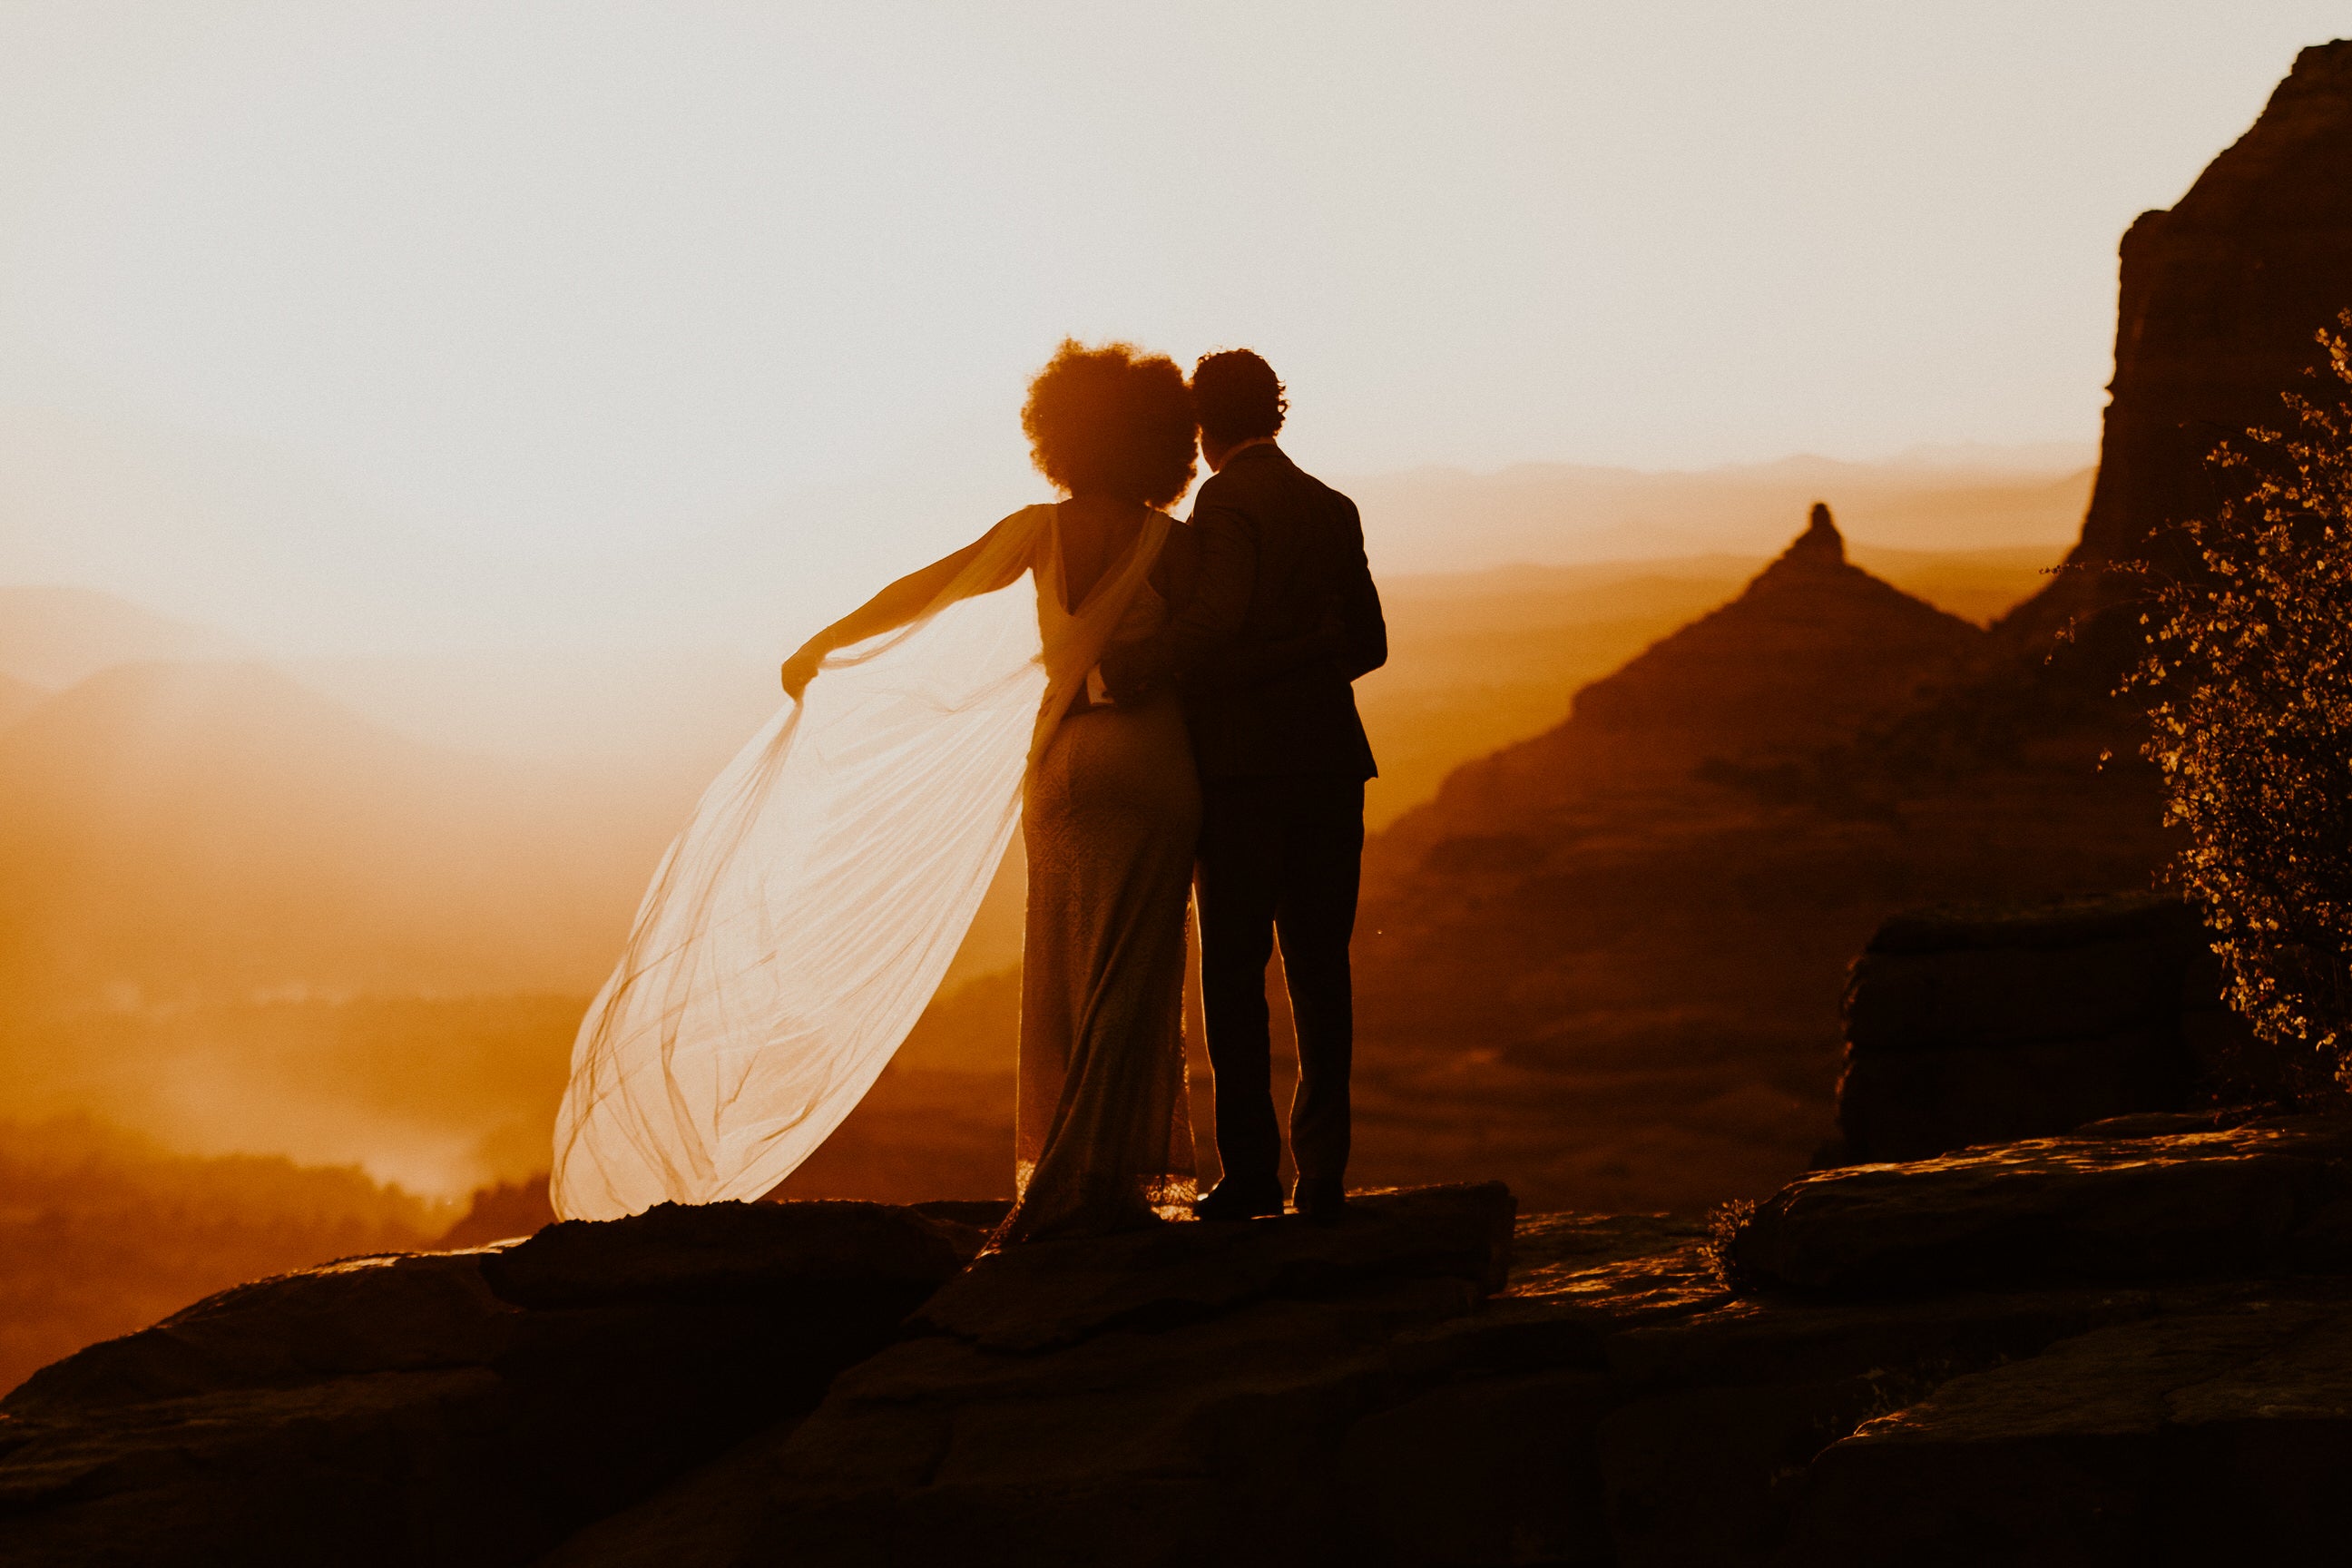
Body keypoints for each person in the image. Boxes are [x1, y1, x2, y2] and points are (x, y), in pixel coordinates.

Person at [550, 339, 1212, 1240]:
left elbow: (930, 587)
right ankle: (1111, 1178)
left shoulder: (1037, 532)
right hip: (1154, 762)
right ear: (1161, 443)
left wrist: (828, 641)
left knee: (1063, 965)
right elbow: (1217, 661)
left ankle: (1065, 1174)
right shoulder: (1176, 547)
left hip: (1063, 768)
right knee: (1133, 970)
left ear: (1064, 432)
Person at [1102, 349, 1387, 1225]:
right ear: (1275, 410)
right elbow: (1369, 645)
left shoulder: (1224, 502)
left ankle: (1254, 1175)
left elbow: (1214, 624)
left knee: (1234, 973)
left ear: (1203, 422)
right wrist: (1310, 653)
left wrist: (1139, 665)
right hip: (1333, 765)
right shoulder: (1333, 507)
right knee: (1320, 972)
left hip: (1243, 772)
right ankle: (1326, 1176)